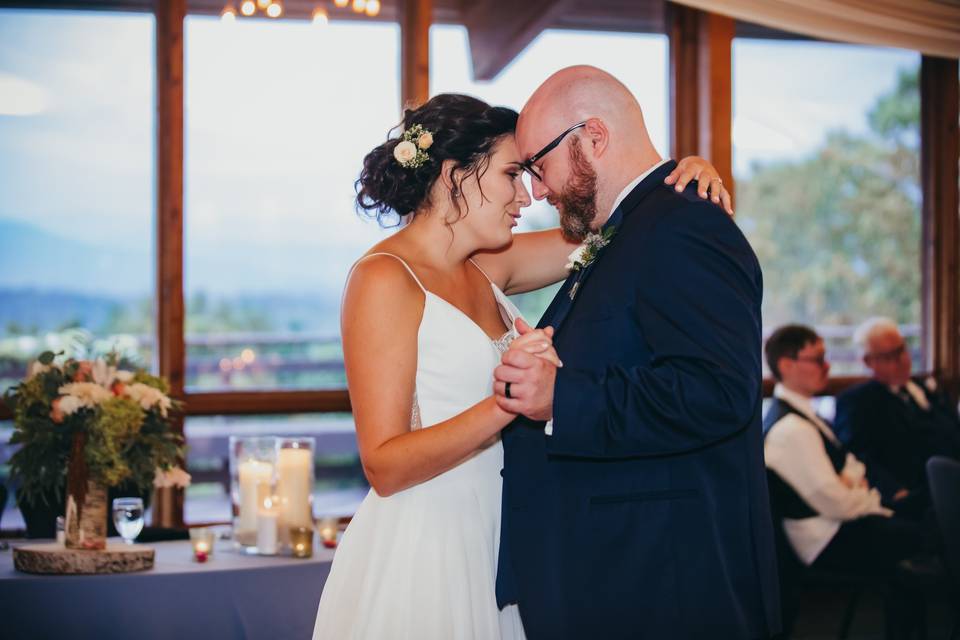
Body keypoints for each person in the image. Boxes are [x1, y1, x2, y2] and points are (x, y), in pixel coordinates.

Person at [312, 92, 730, 639]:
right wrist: (510, 400)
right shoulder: (384, 279)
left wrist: (677, 178)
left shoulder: (490, 264)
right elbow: (385, 465)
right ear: (454, 174)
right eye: (513, 174)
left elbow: (613, 230)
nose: (525, 196)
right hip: (429, 542)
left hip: (504, 535)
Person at [491, 66, 780, 639]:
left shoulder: (682, 227)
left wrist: (560, 399)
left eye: (538, 166)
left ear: (593, 137)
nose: (538, 190)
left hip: (664, 584)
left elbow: (719, 390)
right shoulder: (630, 228)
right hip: (624, 575)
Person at [762, 324, 925, 637]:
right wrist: (866, 496)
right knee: (917, 537)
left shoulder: (804, 416)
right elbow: (836, 501)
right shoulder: (791, 430)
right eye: (818, 358)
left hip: (834, 525)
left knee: (916, 529)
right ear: (786, 365)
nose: (827, 366)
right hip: (824, 539)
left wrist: (853, 483)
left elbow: (852, 468)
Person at [835, 317, 960, 510]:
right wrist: (894, 491)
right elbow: (858, 455)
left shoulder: (924, 389)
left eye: (901, 350)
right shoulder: (857, 401)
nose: (901, 361)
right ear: (868, 361)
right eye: (889, 356)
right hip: (914, 495)